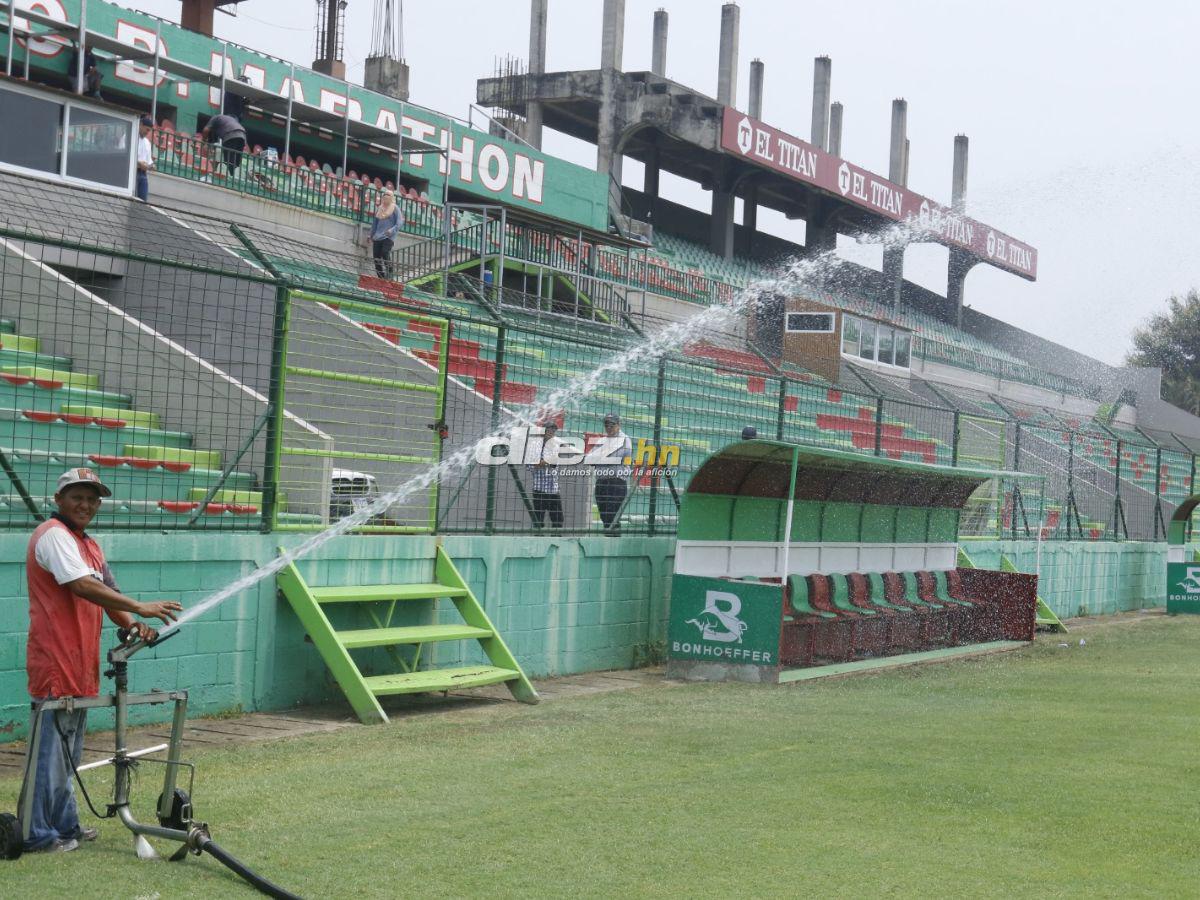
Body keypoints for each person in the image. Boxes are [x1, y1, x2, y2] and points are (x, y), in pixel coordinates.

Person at [23, 468, 183, 853]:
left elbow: (106, 591)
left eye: (93, 499)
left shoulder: (89, 545)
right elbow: (81, 585)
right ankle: (37, 835)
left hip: (80, 663)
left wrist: (131, 627)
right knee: (50, 755)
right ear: (58, 499)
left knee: (68, 753)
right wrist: (140, 608)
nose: (86, 505)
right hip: (55, 661)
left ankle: (66, 826)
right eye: (78, 496)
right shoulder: (54, 536)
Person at [591, 413, 632, 534]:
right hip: (602, 482)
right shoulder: (602, 440)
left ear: (618, 425)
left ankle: (614, 540)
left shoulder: (625, 439)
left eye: (612, 424)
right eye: (606, 424)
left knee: (612, 516)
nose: (608, 427)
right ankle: (610, 539)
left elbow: (615, 457)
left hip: (616, 482)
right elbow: (590, 458)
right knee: (605, 516)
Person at [527, 420, 564, 529]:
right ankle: (539, 542)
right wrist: (546, 461)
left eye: (553, 429)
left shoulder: (555, 446)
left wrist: (547, 461)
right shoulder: (535, 447)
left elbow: (554, 464)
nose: (551, 431)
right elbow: (530, 465)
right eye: (549, 429)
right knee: (538, 522)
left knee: (558, 521)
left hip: (554, 490)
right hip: (540, 490)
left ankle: (556, 543)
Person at [369, 189, 401, 278]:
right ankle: (381, 277)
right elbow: (375, 223)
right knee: (376, 258)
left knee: (385, 253)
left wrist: (392, 230)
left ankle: (390, 273)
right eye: (385, 195)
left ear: (392, 197)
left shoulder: (395, 208)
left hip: (388, 237)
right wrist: (370, 235)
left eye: (388, 195)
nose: (386, 196)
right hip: (377, 236)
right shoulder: (379, 208)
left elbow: (399, 223)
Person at [135, 116, 155, 202]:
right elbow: (126, 157)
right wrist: (139, 164)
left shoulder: (147, 143)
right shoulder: (131, 137)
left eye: (149, 131)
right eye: (147, 129)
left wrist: (152, 166)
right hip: (133, 173)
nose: (147, 132)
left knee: (142, 201)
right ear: (141, 125)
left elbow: (149, 161)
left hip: (143, 174)